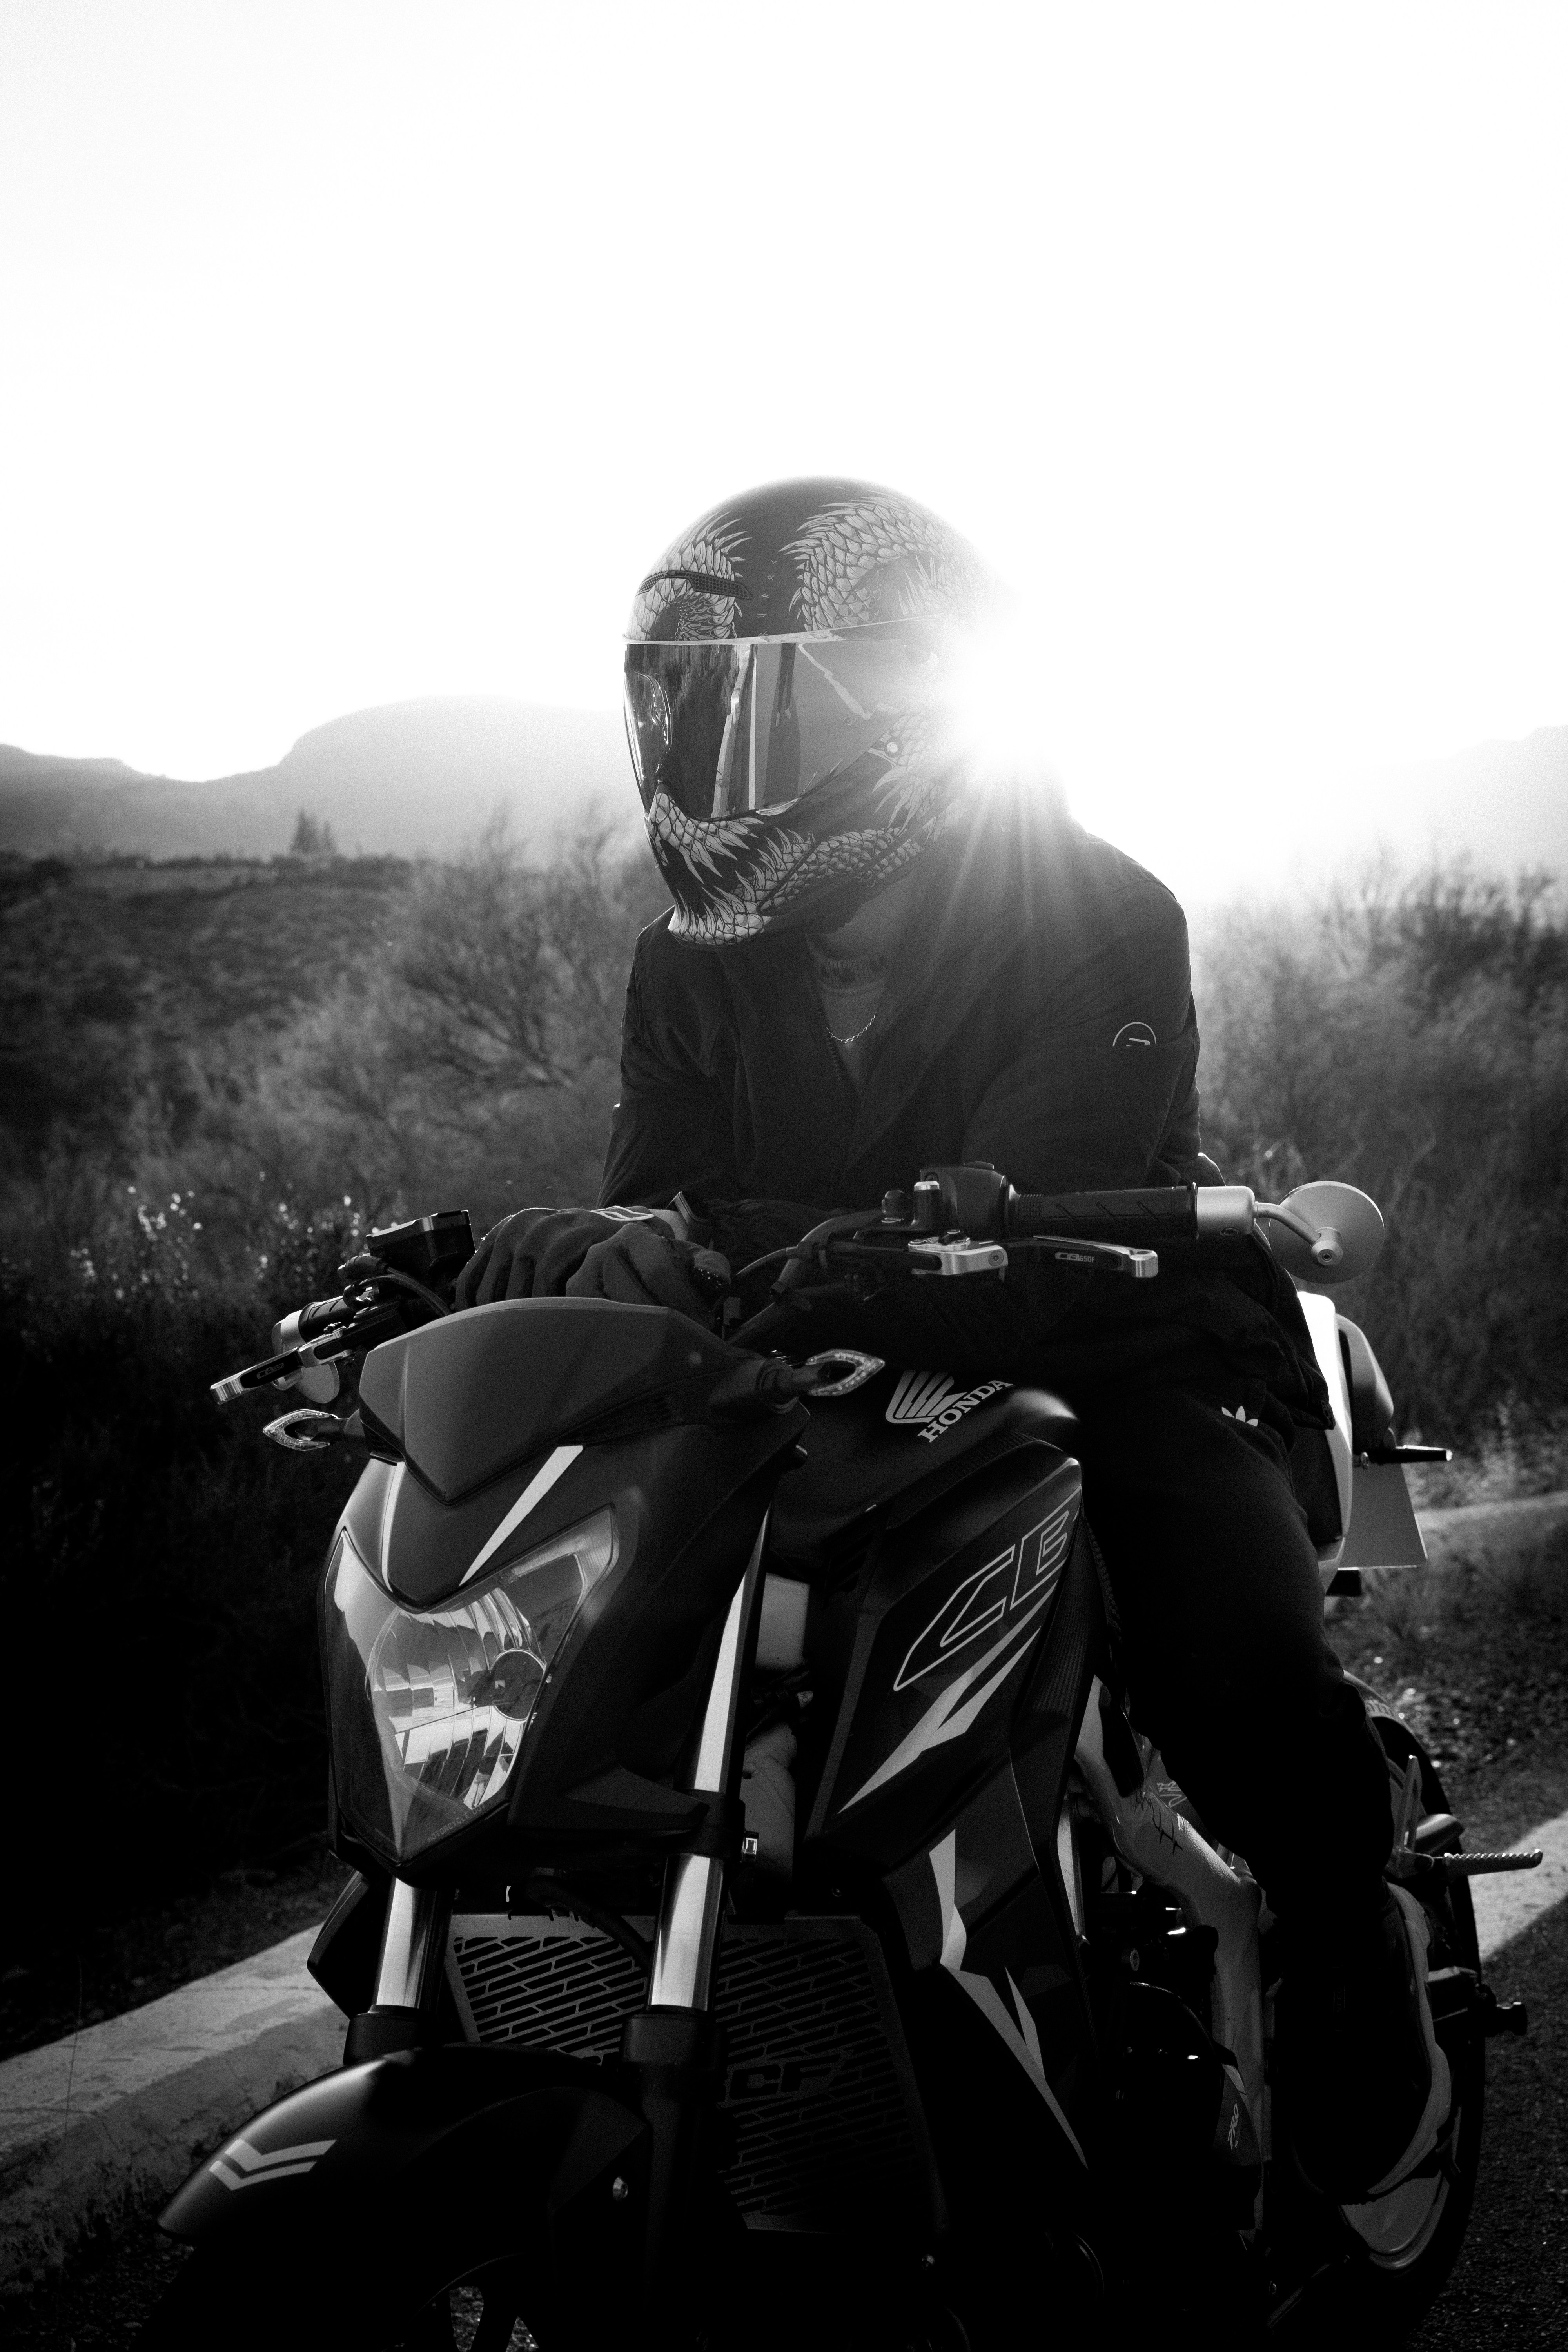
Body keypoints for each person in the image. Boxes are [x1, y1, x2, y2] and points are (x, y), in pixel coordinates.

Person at [456, 477, 1447, 2200]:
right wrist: (601, 1260)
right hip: (809, 1381)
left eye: (762, 703)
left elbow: (1028, 1239)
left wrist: (695, 1248)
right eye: (681, 703)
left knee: (1225, 1649)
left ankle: (1351, 1934)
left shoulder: (1099, 915)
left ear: (908, 703)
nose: (707, 751)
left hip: (1105, 1358)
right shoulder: (687, 969)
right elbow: (659, 1211)